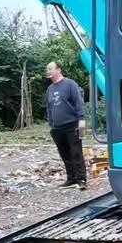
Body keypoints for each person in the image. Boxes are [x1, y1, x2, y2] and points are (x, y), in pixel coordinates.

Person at [45, 61, 87, 189]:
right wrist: (51, 123)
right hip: (57, 128)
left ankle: (81, 179)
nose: (48, 71)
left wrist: (81, 119)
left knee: (76, 152)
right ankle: (71, 178)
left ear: (58, 69)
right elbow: (49, 107)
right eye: (47, 69)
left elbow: (78, 102)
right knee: (64, 154)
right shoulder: (50, 89)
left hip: (72, 125)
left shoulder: (70, 84)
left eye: (51, 69)